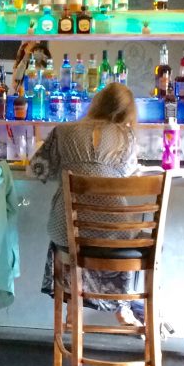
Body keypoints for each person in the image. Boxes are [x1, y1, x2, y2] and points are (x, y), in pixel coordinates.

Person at [29, 82, 145, 326]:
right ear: (128, 112)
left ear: (96, 103)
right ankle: (122, 306)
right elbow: (127, 174)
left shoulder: (63, 131)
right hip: (114, 233)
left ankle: (74, 305)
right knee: (121, 236)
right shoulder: (126, 137)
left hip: (68, 231)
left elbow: (37, 170)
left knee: (72, 238)